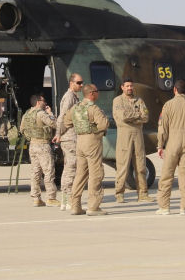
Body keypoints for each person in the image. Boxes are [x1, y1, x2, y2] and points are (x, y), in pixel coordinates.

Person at [156, 79, 185, 215]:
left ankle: (164, 207)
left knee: (167, 175)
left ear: (175, 90)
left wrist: (160, 145)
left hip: (173, 142)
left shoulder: (168, 105)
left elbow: (162, 128)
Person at [63, 83, 110, 216]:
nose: (98, 93)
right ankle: (93, 207)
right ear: (91, 94)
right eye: (97, 91)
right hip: (92, 142)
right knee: (96, 173)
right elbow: (103, 125)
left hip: (80, 142)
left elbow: (67, 122)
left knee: (80, 174)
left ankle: (75, 205)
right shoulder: (94, 108)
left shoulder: (75, 108)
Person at [112, 78, 151, 203]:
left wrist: (133, 117)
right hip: (124, 136)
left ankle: (143, 193)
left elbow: (145, 117)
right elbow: (123, 117)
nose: (130, 88)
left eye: (131, 86)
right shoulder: (118, 101)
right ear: (122, 87)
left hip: (138, 136)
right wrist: (137, 115)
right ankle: (119, 193)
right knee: (122, 166)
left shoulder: (139, 100)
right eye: (127, 86)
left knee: (141, 165)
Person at [21, 93, 59, 207]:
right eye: (43, 101)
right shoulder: (41, 114)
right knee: (48, 172)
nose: (45, 103)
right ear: (38, 102)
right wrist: (51, 113)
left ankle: (36, 198)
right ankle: (51, 198)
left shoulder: (27, 114)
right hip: (43, 145)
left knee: (35, 173)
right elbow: (54, 124)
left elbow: (22, 129)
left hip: (32, 145)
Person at [52, 73, 83, 210]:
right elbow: (62, 116)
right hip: (69, 137)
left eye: (82, 83)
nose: (81, 85)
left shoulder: (73, 96)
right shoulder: (69, 96)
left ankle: (66, 199)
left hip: (71, 136)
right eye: (78, 83)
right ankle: (68, 199)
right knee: (71, 167)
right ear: (71, 83)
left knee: (69, 168)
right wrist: (59, 133)